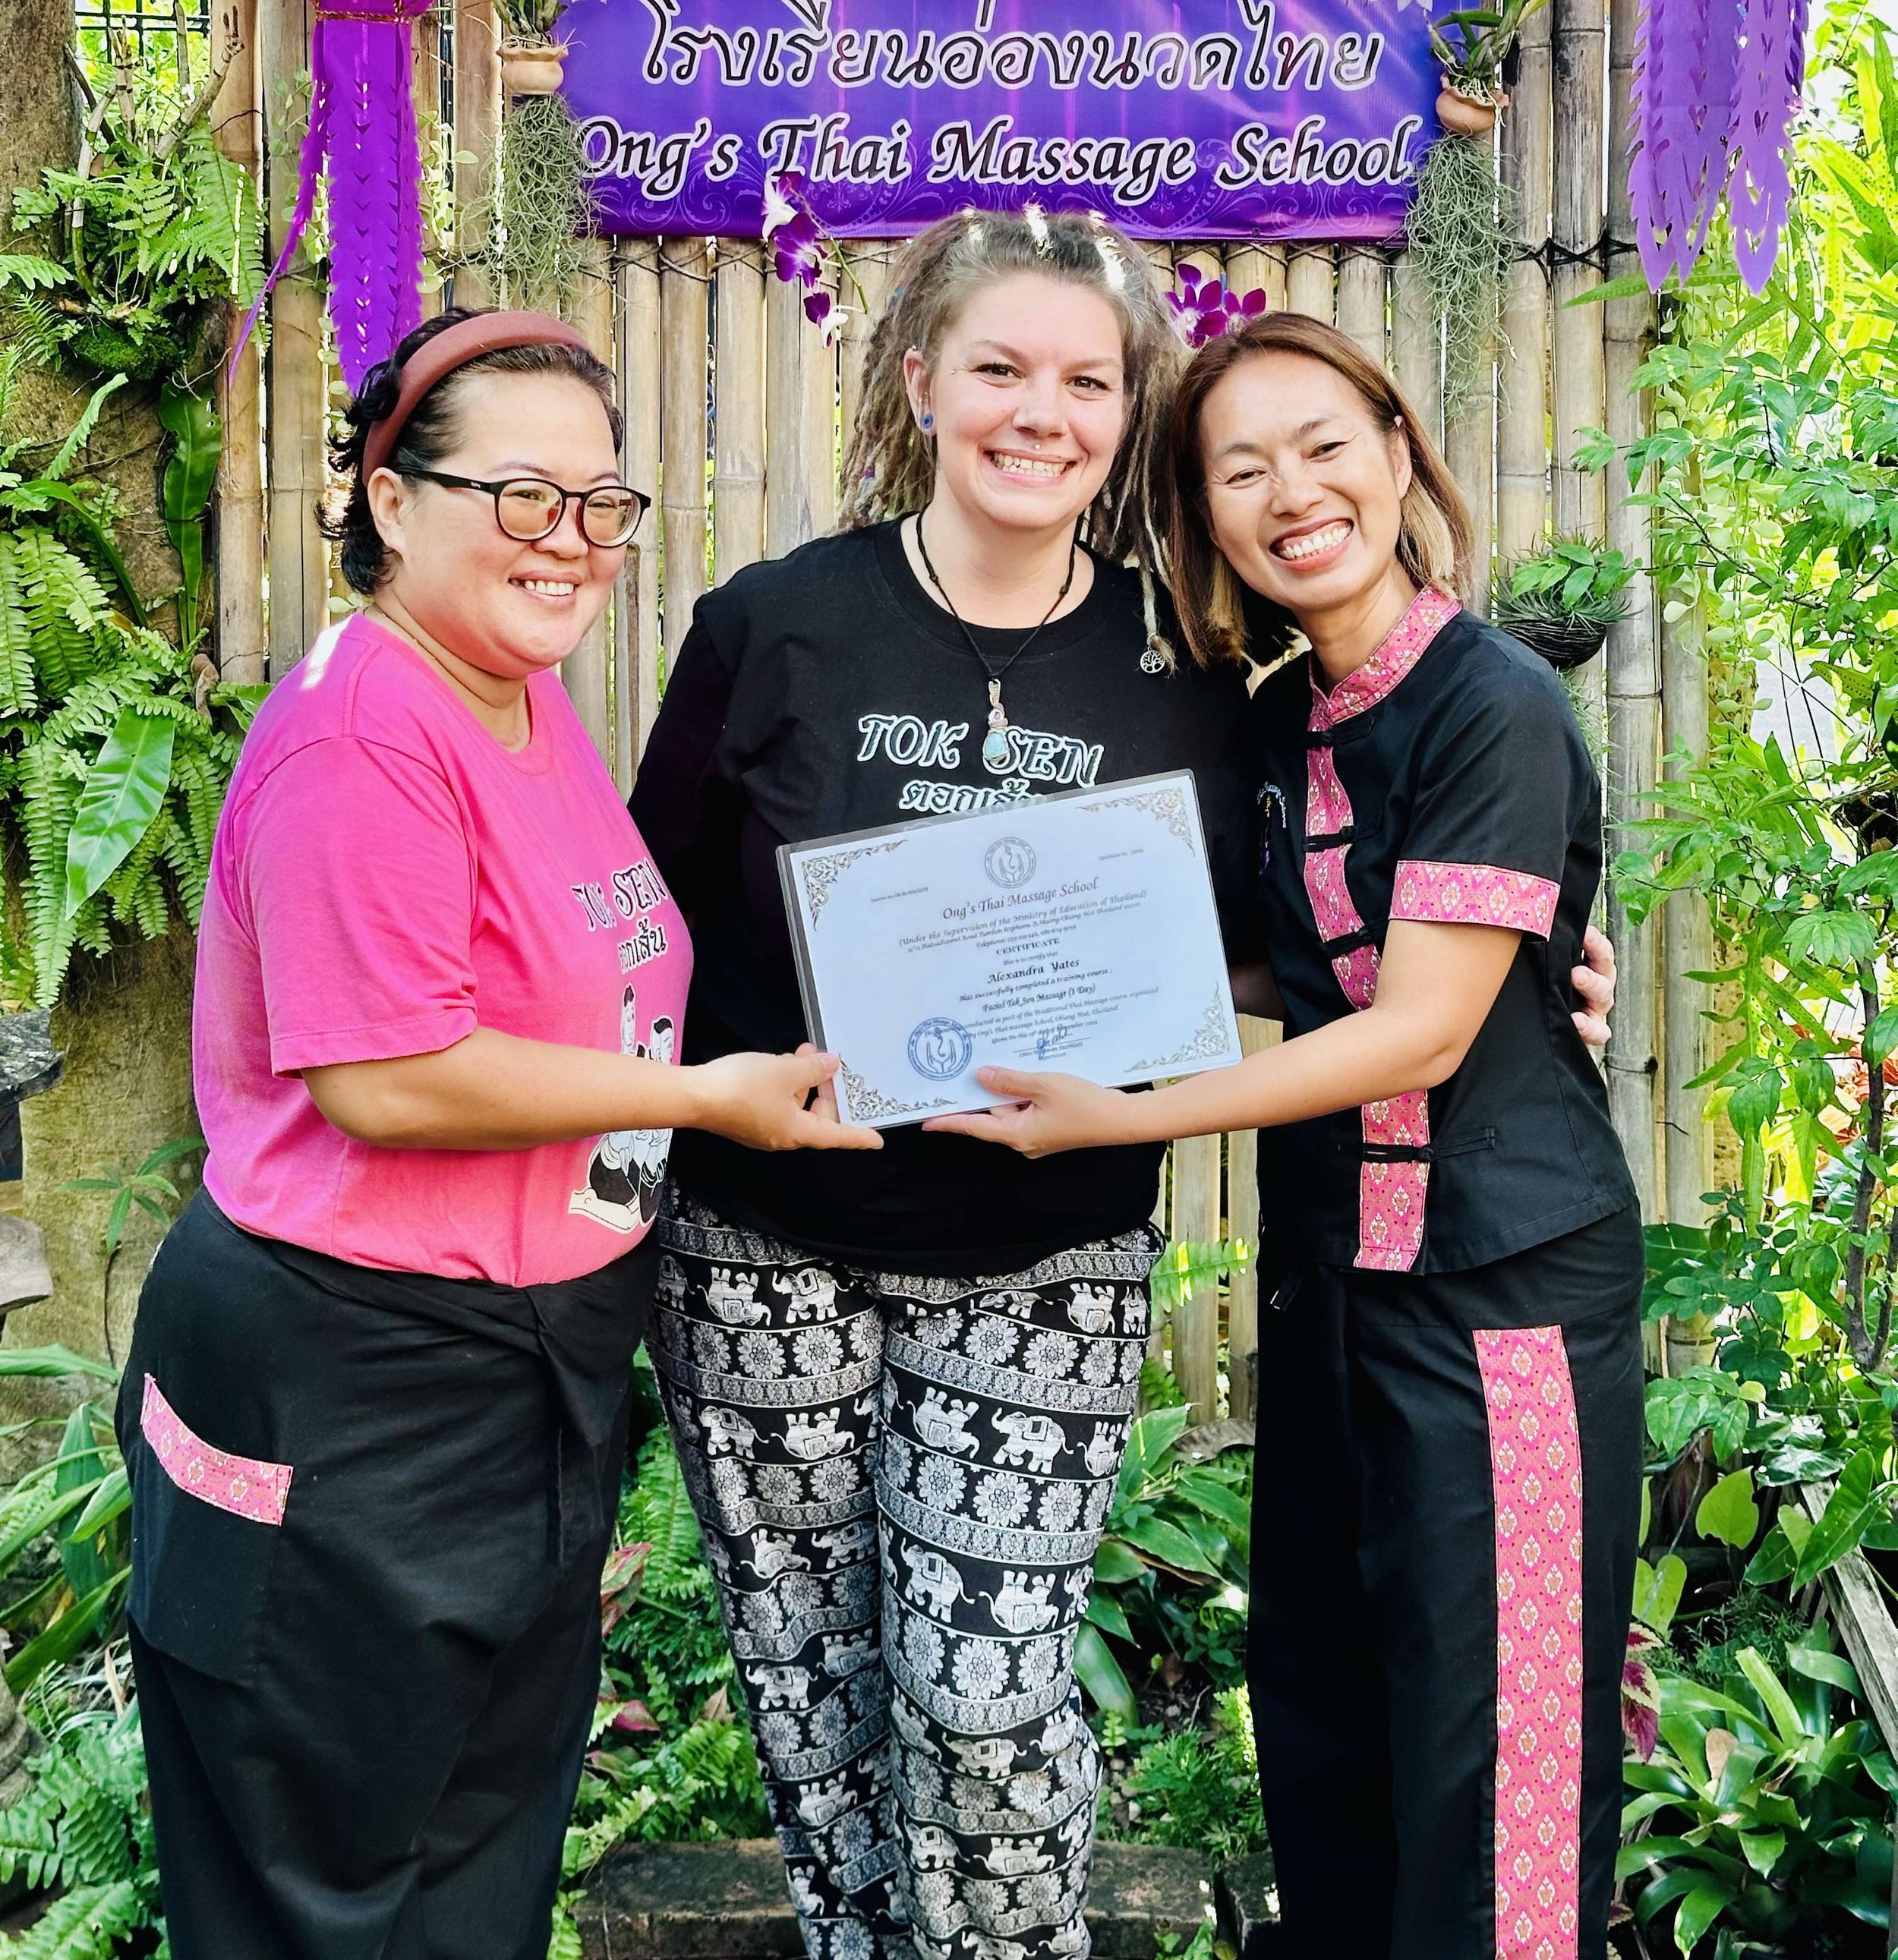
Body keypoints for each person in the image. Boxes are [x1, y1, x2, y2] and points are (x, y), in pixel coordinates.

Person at [630, 216, 1614, 1960]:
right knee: (854, 1695)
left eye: (1086, 379)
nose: (1041, 410)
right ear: (918, 378)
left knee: (1006, 1709)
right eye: (1000, 367)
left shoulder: (1214, 678)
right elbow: (653, 923)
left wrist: (1523, 975)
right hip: (797, 1250)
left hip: (1170, 1263)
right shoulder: (777, 629)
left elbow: (1346, 984)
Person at [121, 308, 861, 1960]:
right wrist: (699, 1099)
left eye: (603, 503)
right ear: (392, 498)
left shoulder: (517, 702)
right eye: (523, 495)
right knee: (315, 1869)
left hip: (523, 1365)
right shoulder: (360, 730)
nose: (573, 542)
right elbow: (385, 1077)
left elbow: (597, 976)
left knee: (477, 1842)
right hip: (353, 1377)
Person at [935, 310, 1643, 1960]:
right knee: (1325, 1704)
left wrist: (1123, 1111)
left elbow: (1417, 1025)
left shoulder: (1494, 708)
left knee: (1504, 1750)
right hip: (1335, 1288)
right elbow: (1272, 958)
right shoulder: (1271, 718)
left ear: (1397, 456)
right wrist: (1014, 971)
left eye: (1324, 445)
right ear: (1203, 514)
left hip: (1502, 1301)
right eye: (1238, 467)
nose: (1290, 491)